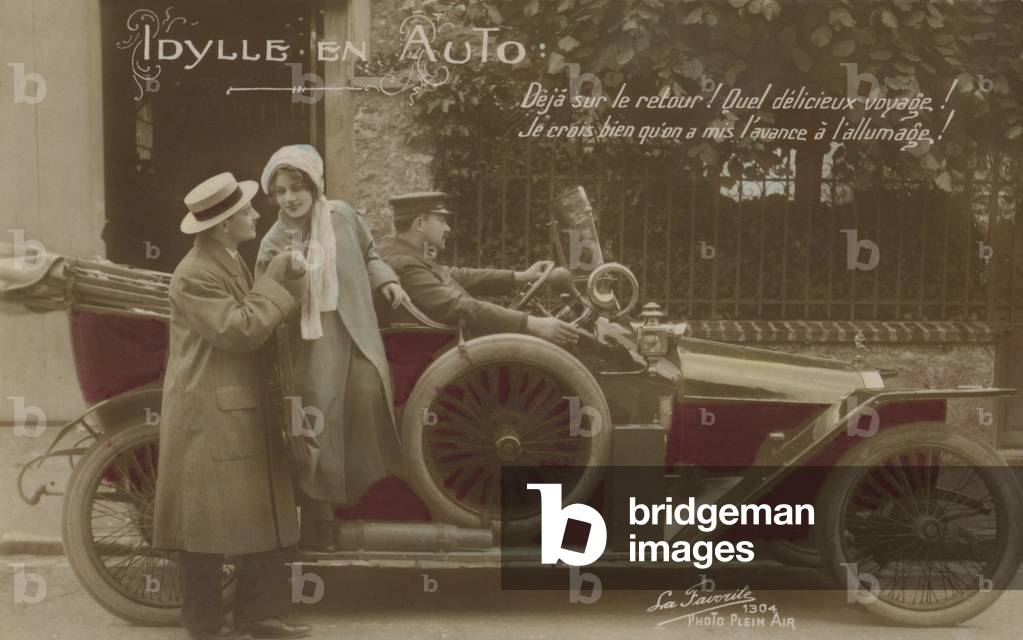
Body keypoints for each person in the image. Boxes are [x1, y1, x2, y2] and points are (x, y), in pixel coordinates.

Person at [152, 172, 312, 640]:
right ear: (224, 225)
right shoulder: (195, 273)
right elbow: (239, 330)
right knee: (204, 527)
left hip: (233, 407)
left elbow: (258, 313)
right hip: (209, 415)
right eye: (247, 211)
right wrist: (276, 280)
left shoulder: (226, 259)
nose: (257, 214)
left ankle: (257, 618)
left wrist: (281, 280)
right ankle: (203, 626)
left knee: (254, 513)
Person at [255, 145, 410, 550]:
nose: (290, 198)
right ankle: (318, 515)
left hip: (355, 329)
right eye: (281, 191)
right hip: (312, 344)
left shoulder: (343, 216)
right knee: (317, 420)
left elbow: (371, 254)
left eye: (297, 188)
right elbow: (264, 294)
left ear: (315, 185)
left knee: (366, 399)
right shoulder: (274, 240)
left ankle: (367, 501)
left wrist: (386, 280)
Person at [379, 191, 579, 346]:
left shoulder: (411, 255)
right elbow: (457, 306)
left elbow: (455, 275)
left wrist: (520, 276)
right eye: (441, 220)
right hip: (452, 355)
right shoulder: (405, 263)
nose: (448, 228)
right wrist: (531, 323)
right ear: (420, 223)